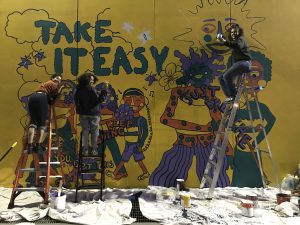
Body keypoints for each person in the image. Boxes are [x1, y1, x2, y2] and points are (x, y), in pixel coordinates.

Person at [27, 74, 63, 153]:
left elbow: (50, 101)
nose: (58, 80)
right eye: (57, 78)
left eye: (59, 80)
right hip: (42, 98)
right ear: (52, 78)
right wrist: (59, 91)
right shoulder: (53, 84)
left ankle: (29, 146)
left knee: (33, 122)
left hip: (33, 97)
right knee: (42, 124)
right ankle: (38, 145)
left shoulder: (44, 84)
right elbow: (52, 101)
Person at [217, 24, 252, 102]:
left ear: (239, 32)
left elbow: (236, 45)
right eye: (232, 32)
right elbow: (232, 44)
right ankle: (230, 96)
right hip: (240, 64)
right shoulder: (236, 41)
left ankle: (233, 96)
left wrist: (224, 41)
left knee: (226, 76)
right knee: (221, 78)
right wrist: (224, 41)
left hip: (244, 63)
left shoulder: (241, 39)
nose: (233, 34)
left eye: (235, 32)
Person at [74, 73, 106, 156]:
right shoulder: (91, 89)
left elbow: (76, 101)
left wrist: (79, 110)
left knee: (85, 131)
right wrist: (103, 93)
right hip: (94, 113)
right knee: (94, 131)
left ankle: (85, 150)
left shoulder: (78, 89)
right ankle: (94, 150)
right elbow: (97, 101)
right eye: (91, 79)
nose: (92, 80)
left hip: (83, 113)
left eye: (92, 79)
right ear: (87, 80)